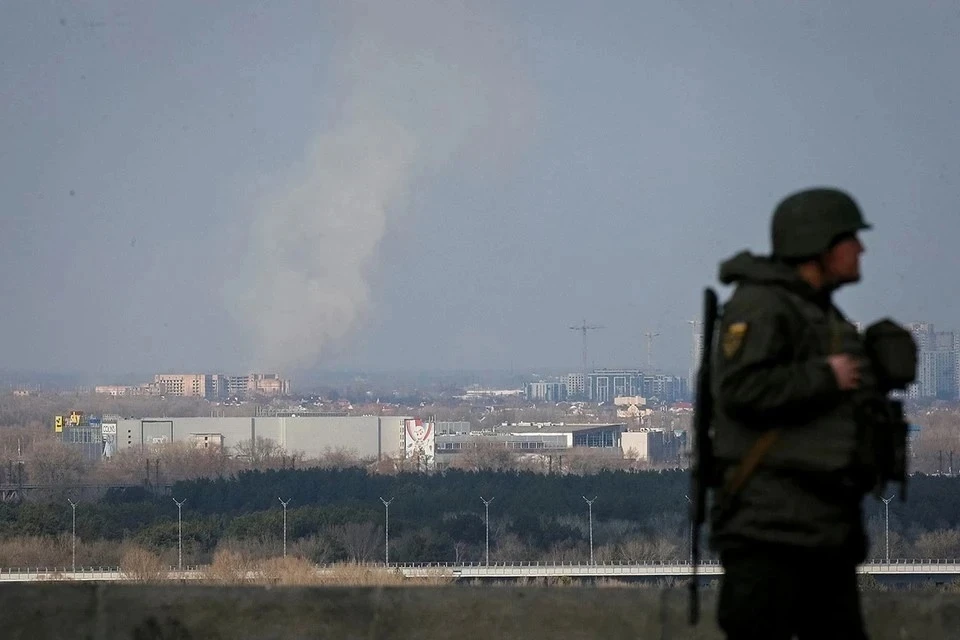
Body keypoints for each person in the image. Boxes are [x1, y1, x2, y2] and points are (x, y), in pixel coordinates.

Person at [709, 187, 879, 639]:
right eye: (850, 239)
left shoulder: (816, 312)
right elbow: (741, 389)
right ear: (819, 245)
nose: (861, 250)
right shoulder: (762, 305)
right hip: (771, 530)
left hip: (818, 526)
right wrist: (824, 377)